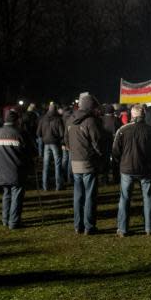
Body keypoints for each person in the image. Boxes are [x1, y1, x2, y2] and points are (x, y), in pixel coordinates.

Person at [112, 104, 151, 236]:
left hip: (127, 168)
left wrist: (121, 162)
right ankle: (149, 228)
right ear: (143, 115)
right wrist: (150, 160)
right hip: (144, 168)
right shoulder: (150, 130)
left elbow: (115, 151)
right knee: (148, 197)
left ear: (131, 115)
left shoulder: (123, 130)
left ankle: (123, 229)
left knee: (125, 198)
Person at [65, 93, 104, 234]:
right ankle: (89, 226)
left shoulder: (70, 120)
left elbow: (66, 141)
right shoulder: (90, 121)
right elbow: (97, 142)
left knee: (78, 195)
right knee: (89, 196)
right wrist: (100, 154)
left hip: (75, 161)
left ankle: (78, 225)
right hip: (88, 162)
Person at [0, 110, 32, 230]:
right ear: (17, 121)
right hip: (17, 170)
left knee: (6, 194)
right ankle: (13, 222)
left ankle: (5, 219)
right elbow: (31, 151)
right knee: (16, 195)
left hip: (1, 171)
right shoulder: (20, 133)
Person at [37, 103, 64, 191]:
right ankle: (58, 186)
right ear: (55, 110)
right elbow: (62, 133)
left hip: (46, 143)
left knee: (46, 165)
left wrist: (44, 136)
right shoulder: (58, 119)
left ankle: (45, 186)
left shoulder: (42, 119)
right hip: (55, 143)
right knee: (57, 164)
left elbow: (38, 133)